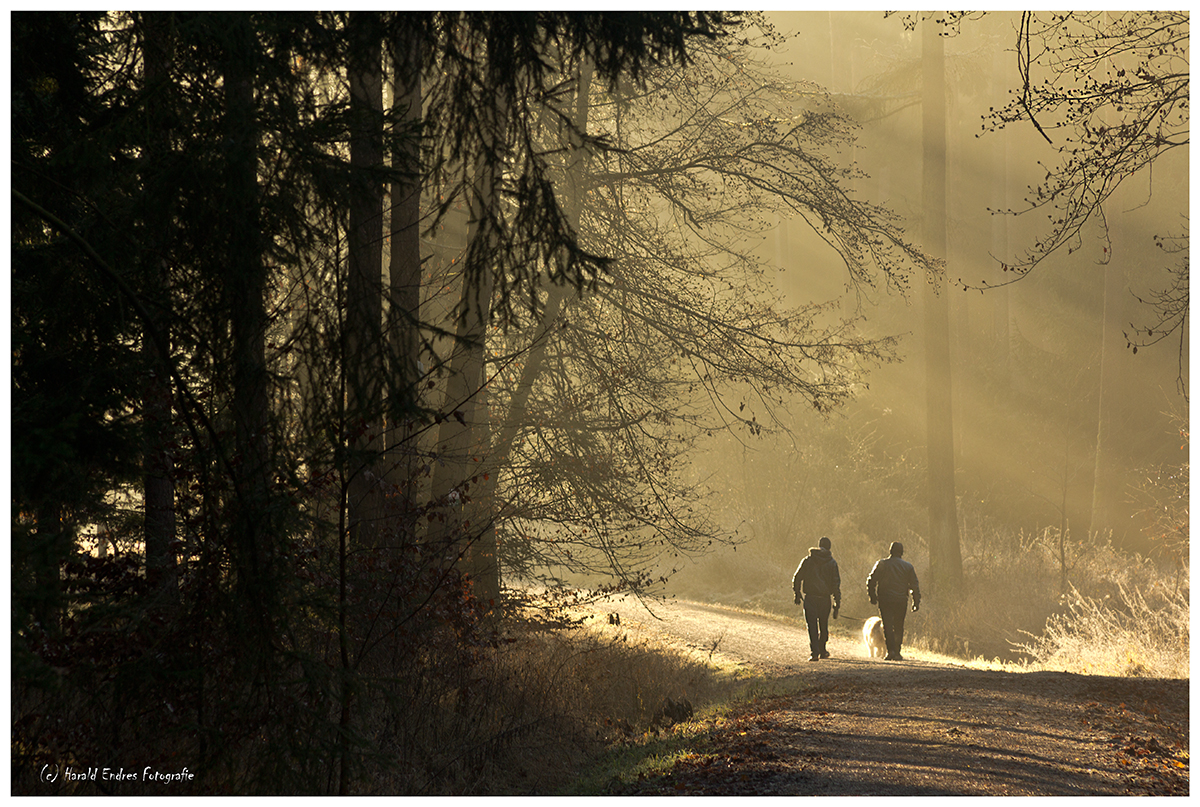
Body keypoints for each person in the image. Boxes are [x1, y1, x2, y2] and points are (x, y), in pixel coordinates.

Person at [866, 541, 921, 661]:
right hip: (901, 600)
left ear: (890, 551)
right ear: (902, 552)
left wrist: (873, 597)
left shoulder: (882, 564)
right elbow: (914, 585)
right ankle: (897, 652)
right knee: (899, 626)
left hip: (885, 600)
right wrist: (916, 602)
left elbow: (871, 580)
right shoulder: (908, 567)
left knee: (887, 626)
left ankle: (890, 651)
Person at [792, 536, 841, 661]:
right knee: (823, 625)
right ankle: (823, 650)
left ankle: (814, 652)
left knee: (812, 626)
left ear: (819, 546)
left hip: (810, 598)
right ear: (829, 548)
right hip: (825, 599)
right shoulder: (832, 563)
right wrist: (837, 603)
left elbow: (797, 578)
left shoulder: (808, 560)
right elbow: (836, 584)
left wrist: (797, 594)